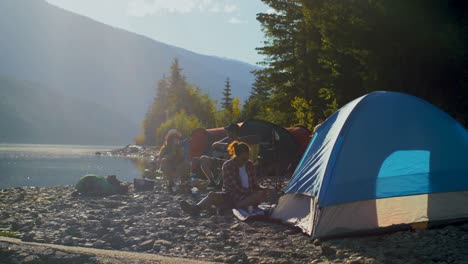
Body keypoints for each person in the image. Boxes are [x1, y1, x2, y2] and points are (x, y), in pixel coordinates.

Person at [180, 141, 267, 215]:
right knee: (212, 195)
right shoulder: (228, 166)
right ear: (237, 155)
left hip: (247, 196)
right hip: (232, 196)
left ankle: (230, 208)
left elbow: (254, 184)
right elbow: (235, 187)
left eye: (247, 156)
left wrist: (262, 189)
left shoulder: (249, 164)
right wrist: (251, 193)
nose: (246, 159)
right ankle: (196, 208)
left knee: (260, 194)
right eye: (244, 157)